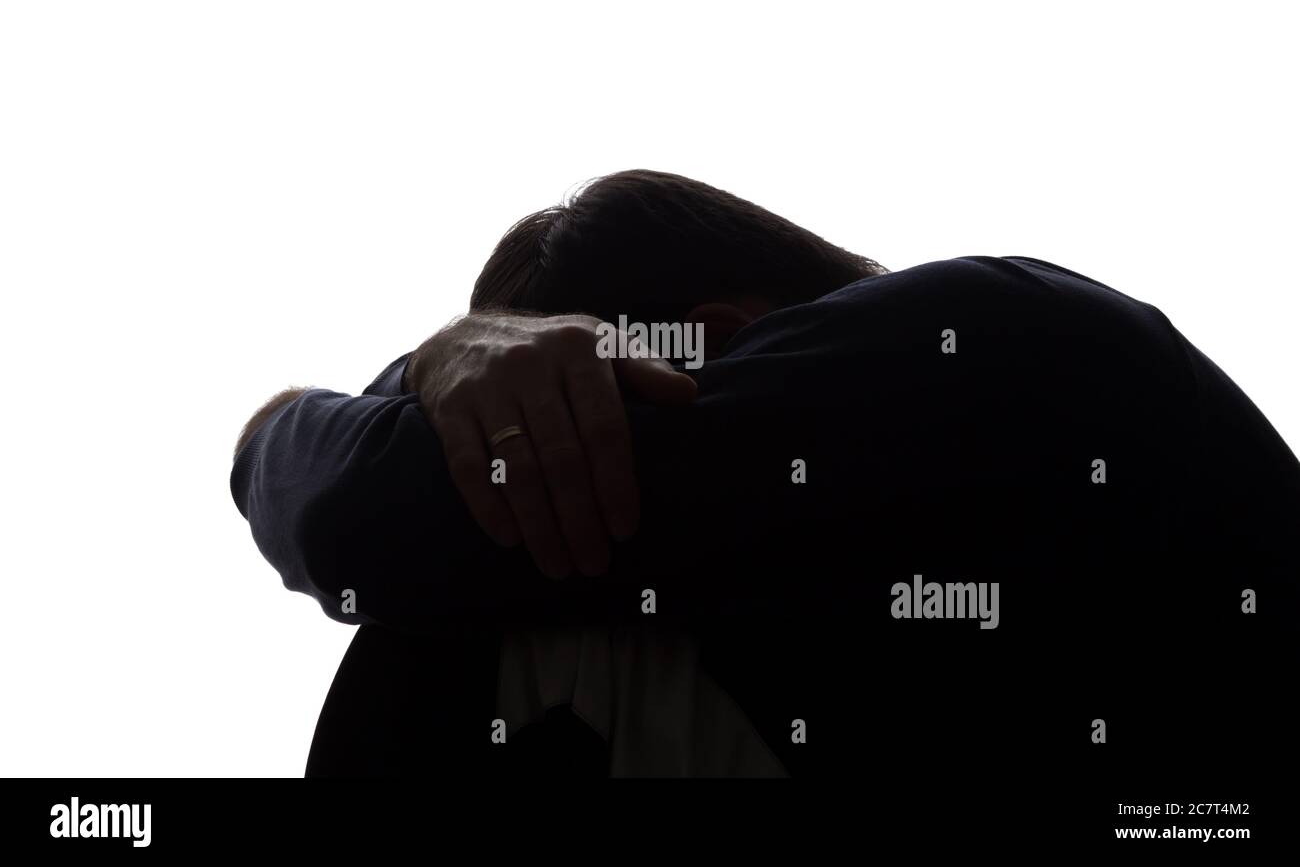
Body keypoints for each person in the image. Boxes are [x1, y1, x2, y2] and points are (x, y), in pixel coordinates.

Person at [231, 170, 1299, 787]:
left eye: (563, 416)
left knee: (493, 623)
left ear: (706, 340)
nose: (539, 450)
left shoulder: (966, 331)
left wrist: (282, 424)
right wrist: (433, 366)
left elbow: (374, 521)